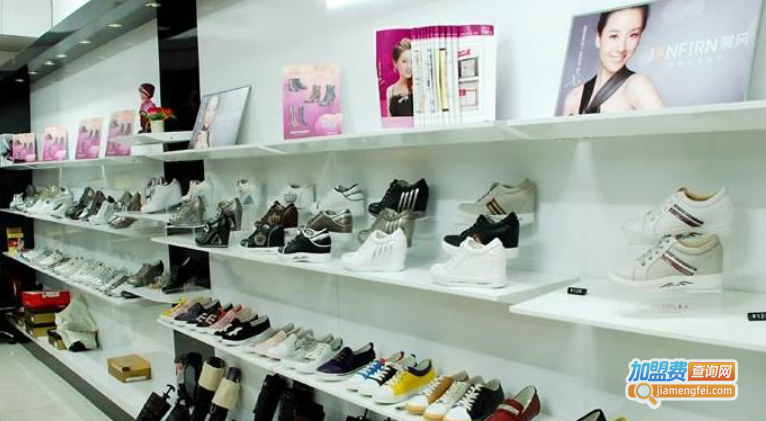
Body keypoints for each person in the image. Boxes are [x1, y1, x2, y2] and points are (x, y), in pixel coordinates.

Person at [563, 5, 663, 115]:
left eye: (633, 35)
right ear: (598, 38)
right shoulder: (573, 97)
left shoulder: (638, 85)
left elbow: (668, 124)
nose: (621, 48)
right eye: (614, 36)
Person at [386, 38, 413, 117]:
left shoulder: (420, 85)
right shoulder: (390, 90)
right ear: (395, 63)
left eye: (412, 61)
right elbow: (390, 120)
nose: (409, 66)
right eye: (404, 61)